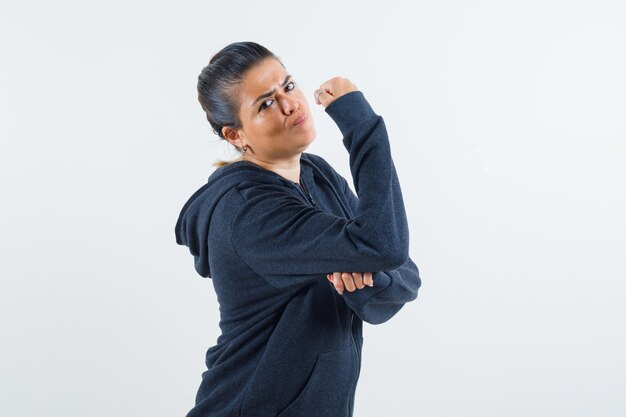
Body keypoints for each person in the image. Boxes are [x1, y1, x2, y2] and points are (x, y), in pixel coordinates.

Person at [175, 41, 422, 417]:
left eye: (288, 87)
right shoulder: (248, 213)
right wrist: (361, 123)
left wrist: (365, 278)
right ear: (235, 136)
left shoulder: (317, 174)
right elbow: (385, 246)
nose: (290, 104)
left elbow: (404, 276)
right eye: (265, 104)